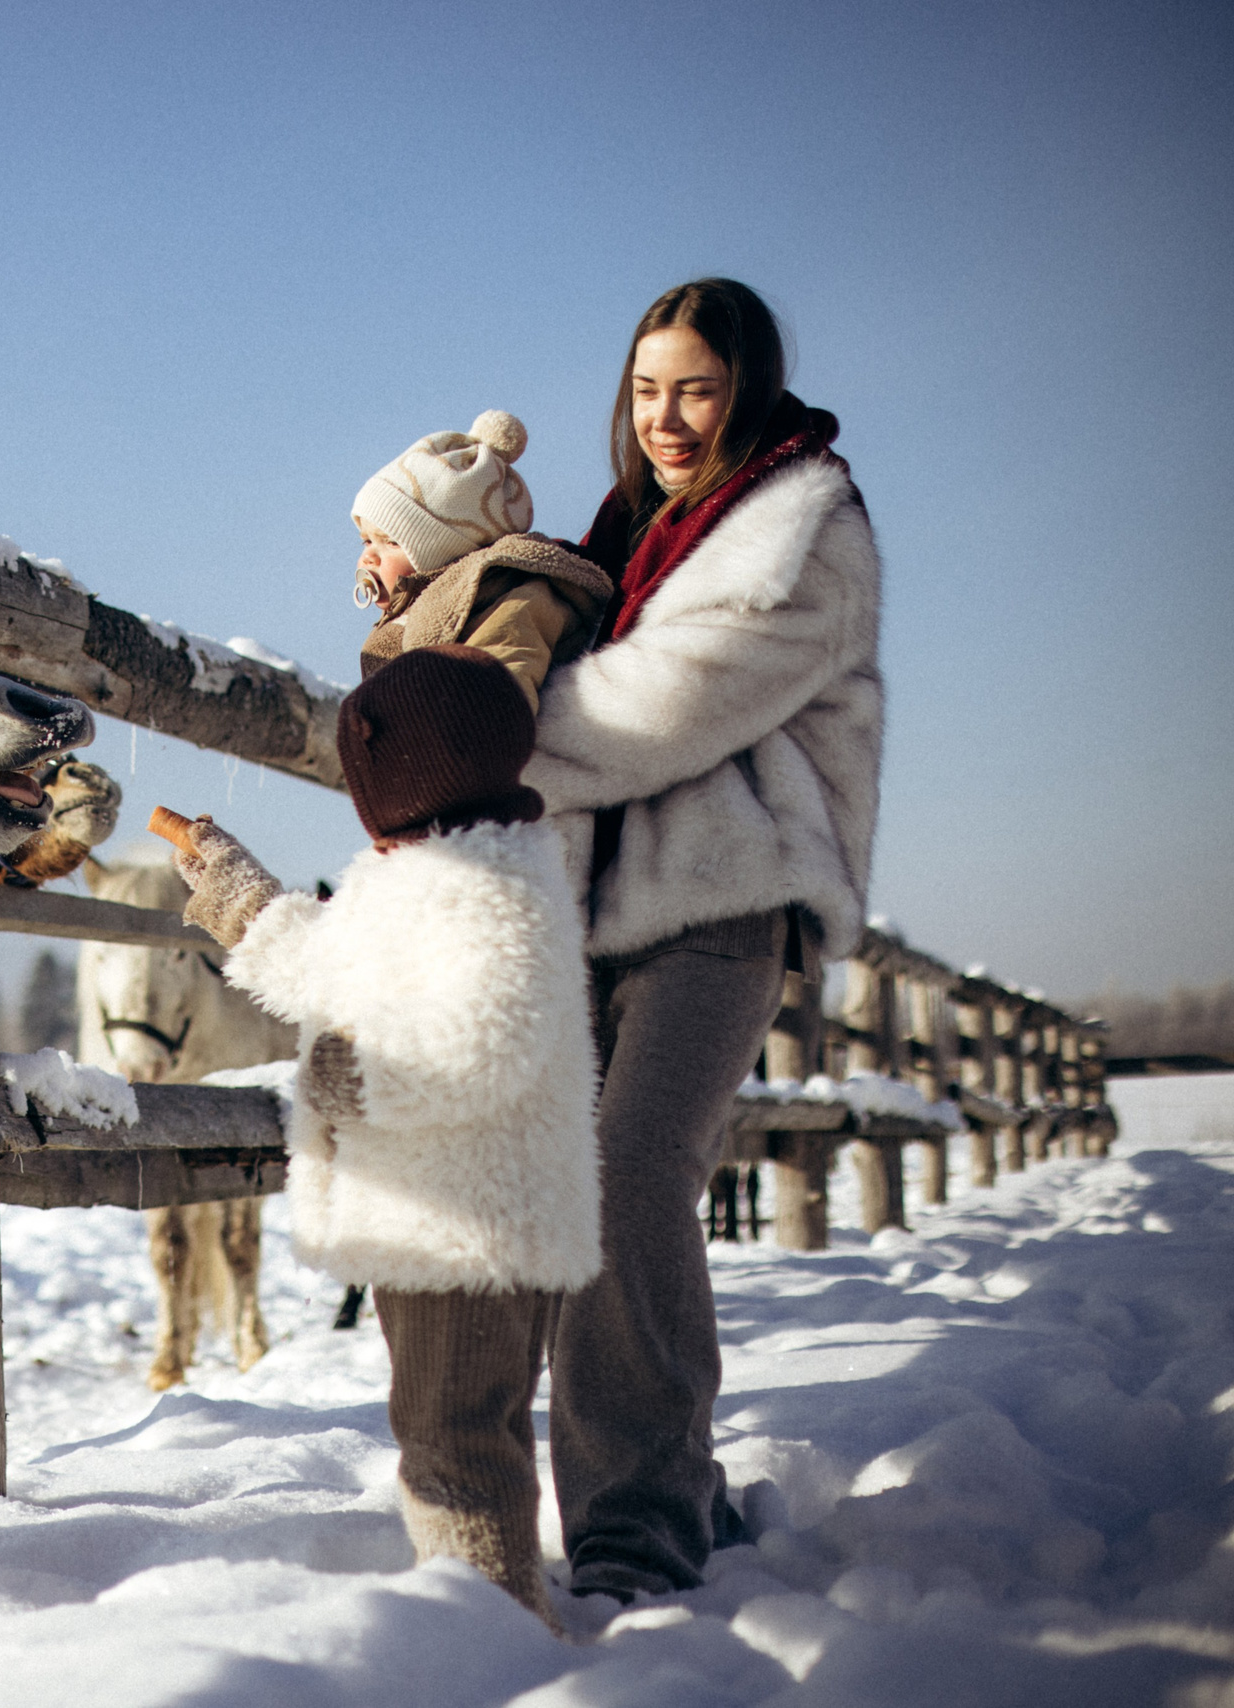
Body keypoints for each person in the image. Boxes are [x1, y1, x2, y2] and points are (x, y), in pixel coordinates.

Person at [521, 278, 883, 1602]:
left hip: (726, 905)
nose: (666, 417)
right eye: (645, 389)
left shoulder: (803, 529)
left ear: (749, 391)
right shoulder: (626, 532)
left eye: (697, 388)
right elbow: (524, 624)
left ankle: (636, 1537)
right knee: (578, 1195)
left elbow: (656, 708)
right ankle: (681, 1487)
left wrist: (484, 728)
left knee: (627, 1182)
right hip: (600, 910)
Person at [168, 645, 603, 1630]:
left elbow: (475, 1046)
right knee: (454, 1427)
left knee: (456, 1439)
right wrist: (242, 898)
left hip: (472, 1222)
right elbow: (325, 962)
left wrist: (341, 1078)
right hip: (444, 1213)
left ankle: (492, 1636)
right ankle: (489, 1615)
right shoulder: (417, 876)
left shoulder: (490, 892)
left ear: (402, 770)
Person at [351, 410, 613, 709]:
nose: (369, 557)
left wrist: (480, 725)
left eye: (392, 542)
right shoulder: (414, 610)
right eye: (367, 540)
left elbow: (509, 662)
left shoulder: (511, 597)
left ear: (446, 549)